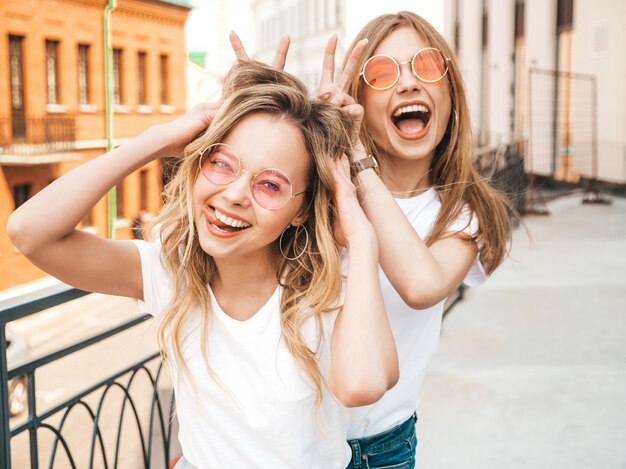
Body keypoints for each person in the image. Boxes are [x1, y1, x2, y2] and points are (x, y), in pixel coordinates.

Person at [7, 61, 399, 468]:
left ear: (300, 211)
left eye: (269, 185)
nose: (233, 195)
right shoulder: (170, 274)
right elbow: (28, 232)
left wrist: (363, 238)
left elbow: (362, 386)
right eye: (222, 162)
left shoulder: (331, 285)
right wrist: (154, 142)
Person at [311, 11, 514, 468]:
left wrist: (358, 157)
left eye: (426, 66)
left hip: (384, 449)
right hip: (297, 440)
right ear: (356, 100)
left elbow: (421, 285)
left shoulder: (461, 212)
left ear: (450, 92)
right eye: (382, 74)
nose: (407, 84)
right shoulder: (324, 190)